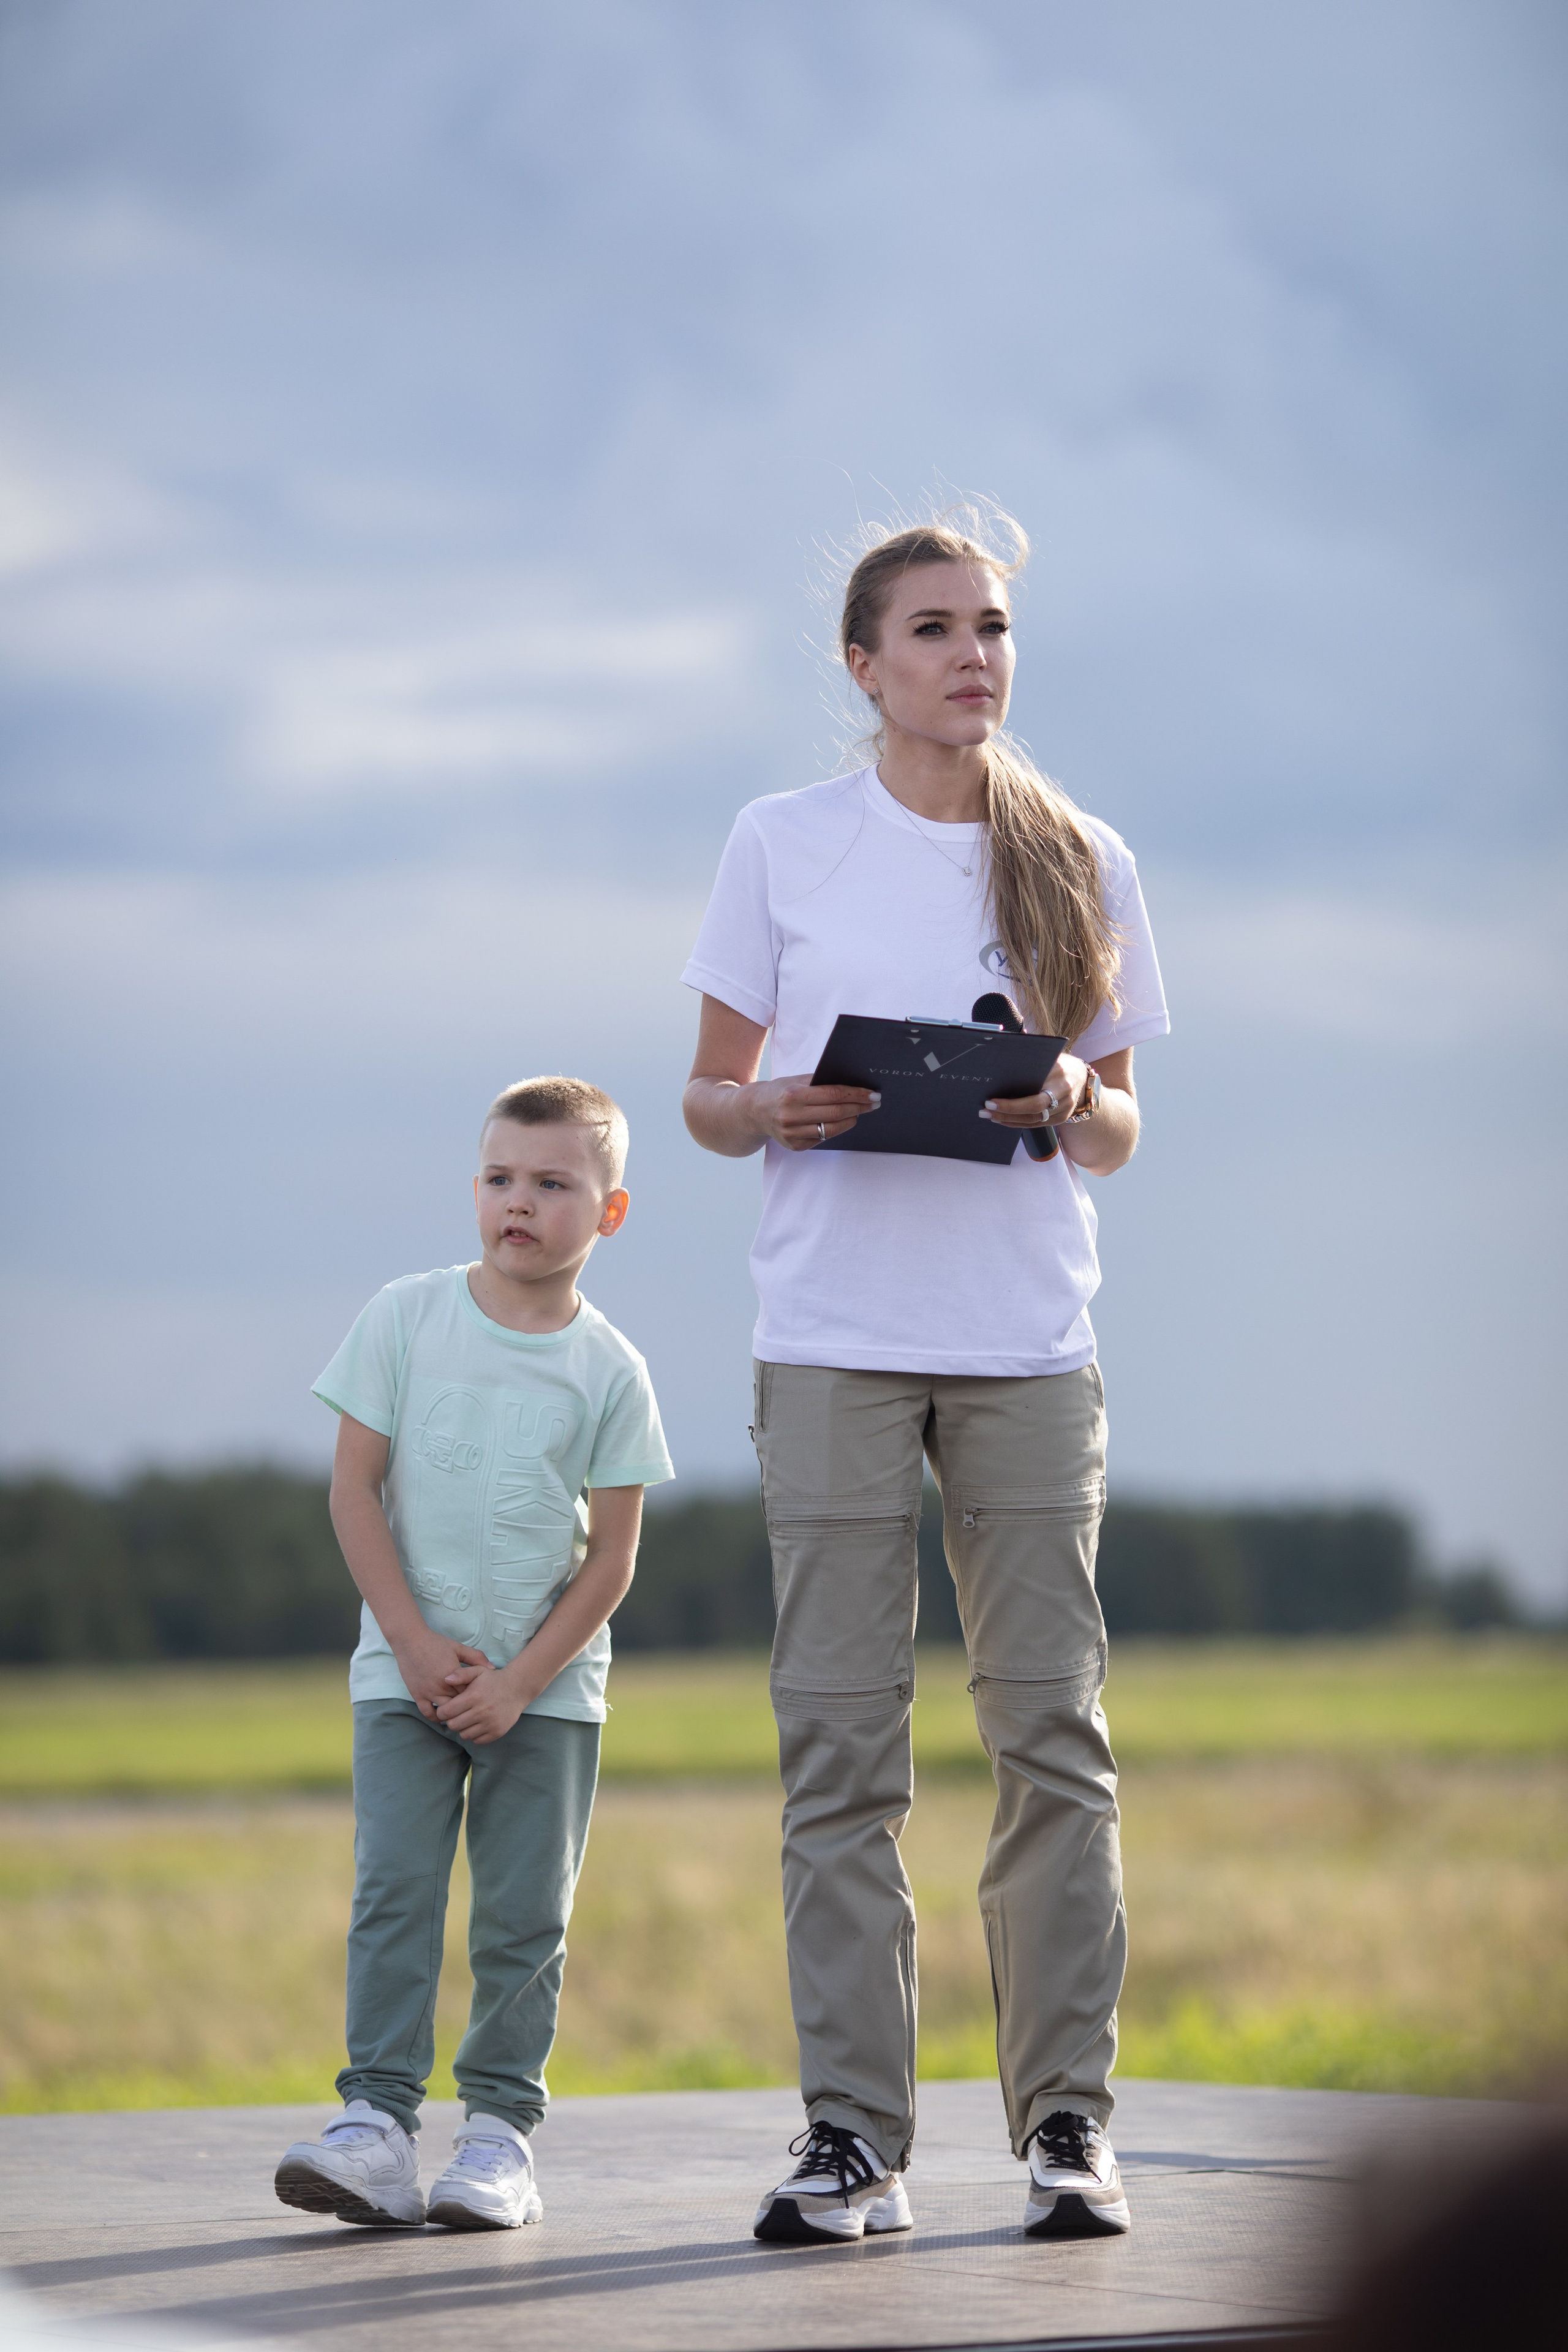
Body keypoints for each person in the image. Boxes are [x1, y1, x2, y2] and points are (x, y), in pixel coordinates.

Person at [682, 511, 1169, 2245]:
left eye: (994, 628)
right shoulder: (780, 842)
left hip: (1028, 1350)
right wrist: (772, 1107)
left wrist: (1072, 1099)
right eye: (937, 628)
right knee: (838, 1748)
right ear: (863, 662)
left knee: (1052, 1740)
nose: (975, 656)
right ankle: (851, 2141)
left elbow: (1118, 1130)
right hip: (830, 1344)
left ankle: (1066, 2127)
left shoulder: (1081, 856)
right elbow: (705, 1098)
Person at [274, 1077, 673, 2231]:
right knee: (394, 1893)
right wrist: (409, 1643)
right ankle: (376, 2127)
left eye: (553, 1183)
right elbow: (354, 1491)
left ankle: (499, 2139)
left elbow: (613, 1560)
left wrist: (519, 1682)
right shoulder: (404, 1317)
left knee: (523, 1918)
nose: (520, 1202)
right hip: (403, 1682)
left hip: (544, 1699)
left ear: (610, 1212)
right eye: (500, 1178)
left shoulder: (613, 1369)